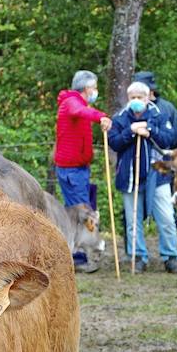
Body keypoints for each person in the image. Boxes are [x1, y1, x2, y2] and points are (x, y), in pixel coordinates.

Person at [108, 81, 177, 273]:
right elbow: (114, 142)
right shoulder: (120, 118)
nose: (136, 101)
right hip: (130, 178)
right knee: (133, 221)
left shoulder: (159, 115)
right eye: (133, 98)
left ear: (148, 97)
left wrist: (150, 131)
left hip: (158, 176)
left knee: (166, 218)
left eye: (140, 97)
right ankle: (138, 256)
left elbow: (169, 139)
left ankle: (171, 256)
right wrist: (131, 132)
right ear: (128, 98)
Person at [53, 70, 112, 273]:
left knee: (80, 209)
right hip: (71, 170)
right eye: (94, 88)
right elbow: (80, 112)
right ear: (87, 88)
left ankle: (78, 253)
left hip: (78, 168)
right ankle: (77, 256)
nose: (96, 91)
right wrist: (101, 117)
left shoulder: (77, 102)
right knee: (80, 212)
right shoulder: (72, 102)